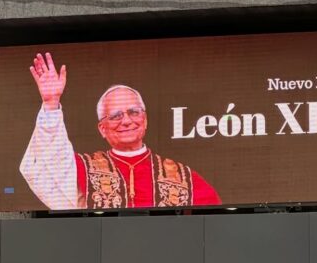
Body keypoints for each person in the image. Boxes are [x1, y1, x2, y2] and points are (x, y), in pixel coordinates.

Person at [19, 52, 221, 210]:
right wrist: (51, 104)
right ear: (102, 128)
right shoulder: (83, 169)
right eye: (116, 116)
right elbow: (50, 162)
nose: (126, 121)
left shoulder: (183, 177)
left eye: (134, 112)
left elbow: (213, 219)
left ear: (145, 120)